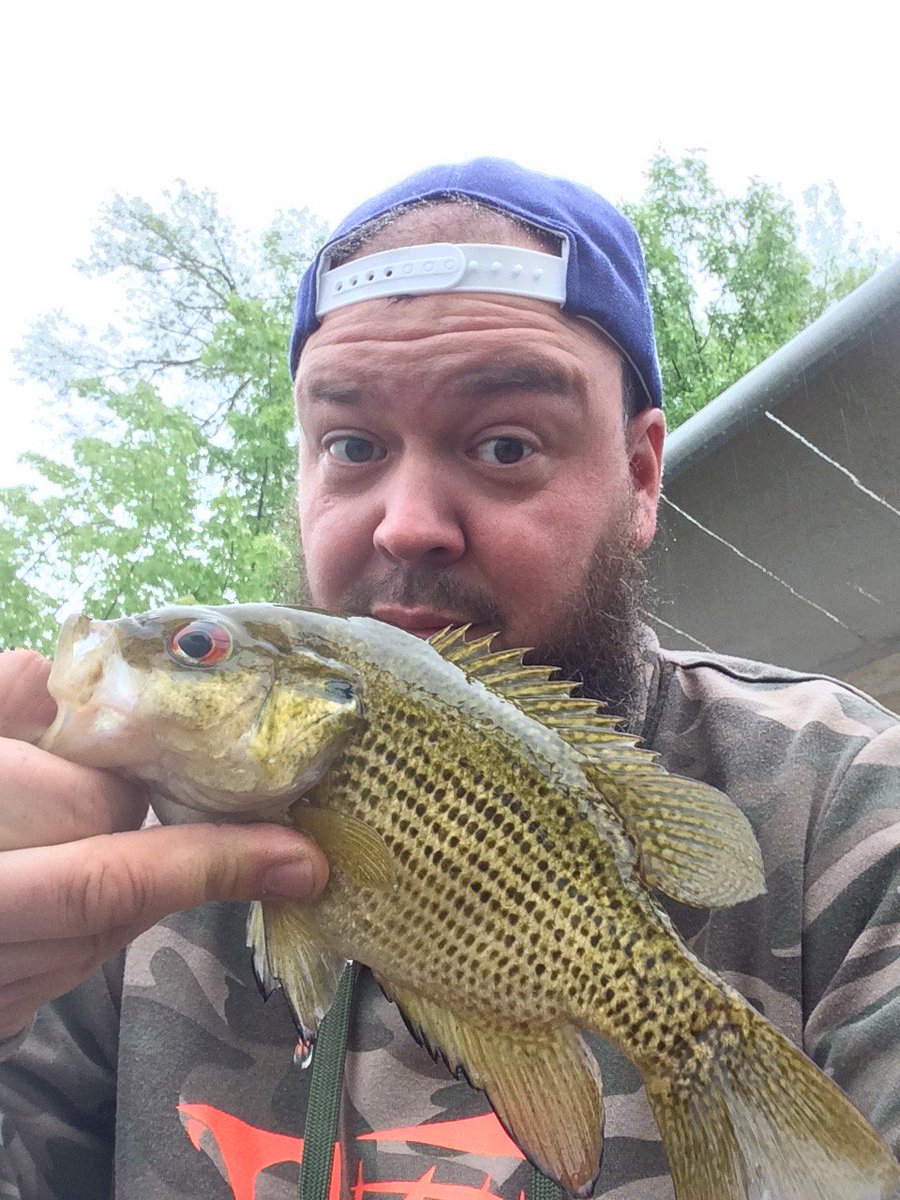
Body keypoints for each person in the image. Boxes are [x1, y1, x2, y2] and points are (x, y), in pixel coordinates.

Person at [1, 158, 897, 1200]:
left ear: (642, 478)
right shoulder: (84, 891)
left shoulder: (851, 806)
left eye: (506, 443)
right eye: (351, 444)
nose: (408, 521)